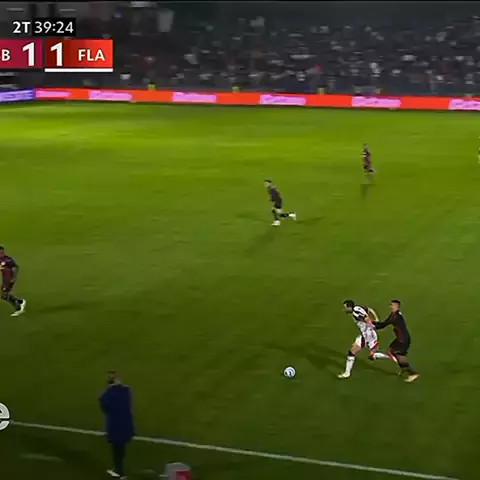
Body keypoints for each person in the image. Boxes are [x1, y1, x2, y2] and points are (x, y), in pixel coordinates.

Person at [338, 300, 389, 379]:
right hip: (366, 333)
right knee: (363, 354)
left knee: (354, 352)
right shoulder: (358, 308)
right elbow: (370, 309)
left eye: (345, 307)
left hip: (367, 335)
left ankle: (391, 356)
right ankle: (390, 356)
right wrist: (376, 319)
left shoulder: (356, 313)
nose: (344, 309)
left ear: (350, 307)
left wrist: (373, 326)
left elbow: (366, 319)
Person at [99, 371, 135, 479]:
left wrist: (109, 388)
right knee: (121, 447)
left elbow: (104, 407)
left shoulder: (107, 394)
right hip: (126, 424)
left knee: (116, 448)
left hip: (115, 426)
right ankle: (119, 469)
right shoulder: (126, 391)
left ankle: (118, 471)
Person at [374, 300, 420, 383]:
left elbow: (383, 325)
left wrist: (372, 324)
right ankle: (404, 369)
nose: (391, 306)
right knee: (398, 354)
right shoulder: (396, 314)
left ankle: (412, 373)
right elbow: (384, 323)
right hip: (403, 338)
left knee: (392, 352)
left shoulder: (395, 316)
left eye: (392, 305)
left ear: (397, 306)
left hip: (401, 340)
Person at [0, 245, 26, 317]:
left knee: (4, 295)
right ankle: (20, 301)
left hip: (9, 278)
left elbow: (15, 267)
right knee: (4, 295)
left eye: (1, 252)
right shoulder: (0, 259)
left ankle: (18, 309)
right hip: (5, 278)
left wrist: (14, 277)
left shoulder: (8, 260)